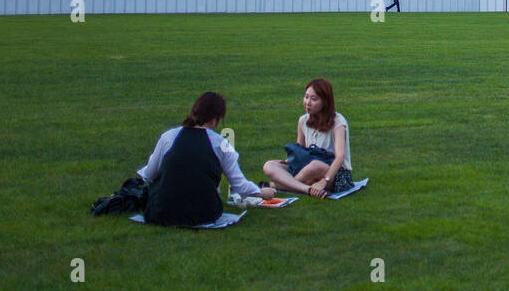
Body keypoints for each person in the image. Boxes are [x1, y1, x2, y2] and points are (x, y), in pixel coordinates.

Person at [138, 92, 274, 226]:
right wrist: (261, 192)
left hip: (162, 212)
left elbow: (149, 174)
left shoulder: (169, 137)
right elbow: (239, 184)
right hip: (205, 214)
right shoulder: (221, 144)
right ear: (216, 118)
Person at [263, 78, 354, 198]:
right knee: (269, 165)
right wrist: (288, 162)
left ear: (325, 102)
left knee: (315, 165)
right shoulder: (303, 120)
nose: (308, 102)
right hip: (308, 167)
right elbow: (300, 150)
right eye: (306, 97)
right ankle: (307, 188)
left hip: (334, 173)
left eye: (314, 99)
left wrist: (324, 181)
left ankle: (282, 185)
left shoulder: (338, 122)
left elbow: (340, 157)